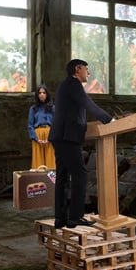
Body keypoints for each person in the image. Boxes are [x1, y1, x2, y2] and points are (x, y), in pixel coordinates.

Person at [49, 59, 114, 229]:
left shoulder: (67, 85)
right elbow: (87, 103)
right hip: (67, 137)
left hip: (60, 136)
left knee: (62, 177)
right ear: (78, 69)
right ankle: (75, 217)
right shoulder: (73, 84)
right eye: (87, 69)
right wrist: (109, 119)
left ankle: (61, 218)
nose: (89, 73)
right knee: (80, 174)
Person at [28, 84, 55, 169]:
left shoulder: (53, 108)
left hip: (50, 135)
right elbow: (30, 125)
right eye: (40, 93)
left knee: (51, 160)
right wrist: (36, 138)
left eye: (44, 92)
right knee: (38, 161)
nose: (42, 94)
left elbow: (56, 124)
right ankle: (39, 180)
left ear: (47, 94)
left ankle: (52, 181)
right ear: (37, 95)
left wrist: (50, 137)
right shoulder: (33, 109)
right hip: (37, 136)